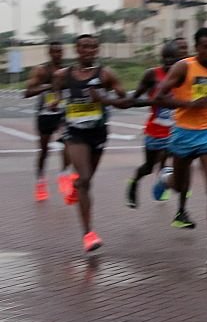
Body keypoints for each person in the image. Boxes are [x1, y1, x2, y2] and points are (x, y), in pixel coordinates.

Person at [153, 27, 207, 265]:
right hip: (183, 133)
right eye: (206, 47)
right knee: (179, 185)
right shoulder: (184, 67)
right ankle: (167, 178)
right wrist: (190, 104)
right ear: (197, 47)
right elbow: (160, 97)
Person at [50, 34, 132, 252]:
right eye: (84, 47)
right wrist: (56, 101)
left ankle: (76, 186)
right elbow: (55, 94)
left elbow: (124, 99)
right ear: (76, 50)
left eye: (92, 47)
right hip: (74, 132)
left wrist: (104, 100)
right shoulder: (62, 75)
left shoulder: (105, 74)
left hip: (98, 133)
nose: (88, 50)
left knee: (87, 181)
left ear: (97, 50)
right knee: (85, 179)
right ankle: (88, 234)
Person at [125, 39, 188, 208]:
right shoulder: (152, 74)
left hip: (177, 131)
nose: (168, 62)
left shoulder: (185, 75)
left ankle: (181, 210)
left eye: (172, 58)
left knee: (178, 165)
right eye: (165, 58)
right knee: (148, 167)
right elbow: (135, 98)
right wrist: (156, 101)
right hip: (154, 132)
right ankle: (134, 182)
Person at [23, 41, 71, 201]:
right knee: (44, 151)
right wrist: (48, 86)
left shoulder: (67, 71)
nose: (57, 54)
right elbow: (27, 92)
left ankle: (63, 174)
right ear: (49, 53)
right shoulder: (41, 70)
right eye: (54, 52)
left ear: (63, 53)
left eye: (60, 51)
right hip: (45, 113)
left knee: (68, 143)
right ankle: (40, 180)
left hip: (62, 113)